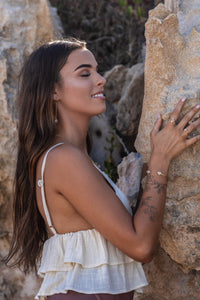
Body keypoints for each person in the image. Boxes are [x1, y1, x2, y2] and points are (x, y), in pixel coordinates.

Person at [3, 38, 200, 300]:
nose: (100, 79)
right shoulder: (64, 159)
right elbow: (141, 246)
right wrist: (160, 159)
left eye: (97, 70)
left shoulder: (72, 157)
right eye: (85, 73)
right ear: (53, 91)